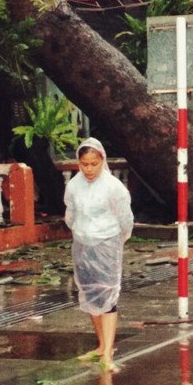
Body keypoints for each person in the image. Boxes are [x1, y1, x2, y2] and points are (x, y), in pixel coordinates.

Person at [64, 138, 133, 371]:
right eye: (85, 164)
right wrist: (81, 234)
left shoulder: (114, 187)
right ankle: (102, 346)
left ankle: (108, 354)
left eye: (94, 164)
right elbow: (70, 214)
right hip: (83, 244)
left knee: (108, 297)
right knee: (91, 294)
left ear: (102, 160)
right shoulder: (74, 186)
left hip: (107, 245)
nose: (89, 169)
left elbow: (125, 220)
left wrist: (115, 241)